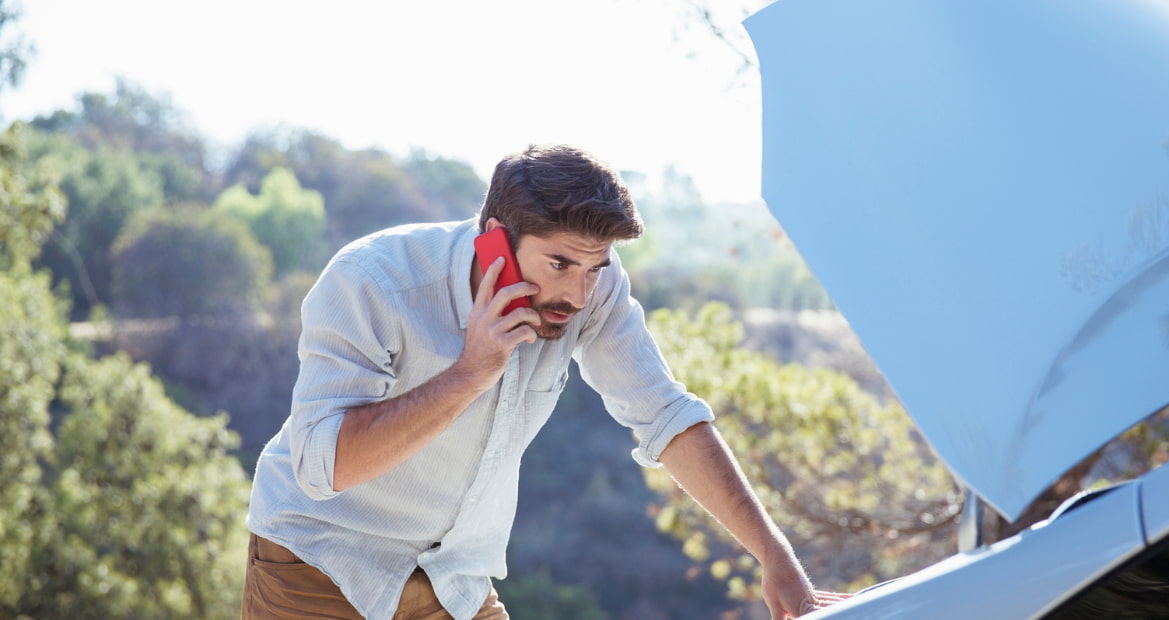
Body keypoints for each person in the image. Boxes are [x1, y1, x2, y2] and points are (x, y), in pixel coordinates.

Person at [243, 144, 848, 620]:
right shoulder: (373, 281)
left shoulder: (592, 289)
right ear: (494, 239)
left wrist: (773, 553)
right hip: (320, 564)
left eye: (595, 267)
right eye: (559, 264)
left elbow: (664, 415)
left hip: (452, 582)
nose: (577, 295)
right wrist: (468, 373)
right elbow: (325, 468)